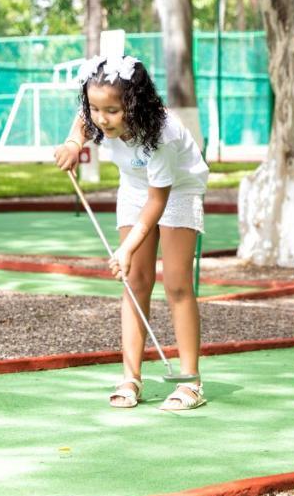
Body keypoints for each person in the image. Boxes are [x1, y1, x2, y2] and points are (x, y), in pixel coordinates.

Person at [53, 55, 210, 411]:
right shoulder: (96, 114)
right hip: (136, 187)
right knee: (135, 281)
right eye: (96, 108)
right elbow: (82, 120)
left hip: (178, 188)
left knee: (177, 282)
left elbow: (158, 202)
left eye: (111, 110)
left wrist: (126, 248)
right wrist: (73, 144)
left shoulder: (161, 134)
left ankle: (190, 381)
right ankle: (130, 377)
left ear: (133, 104)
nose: (101, 119)